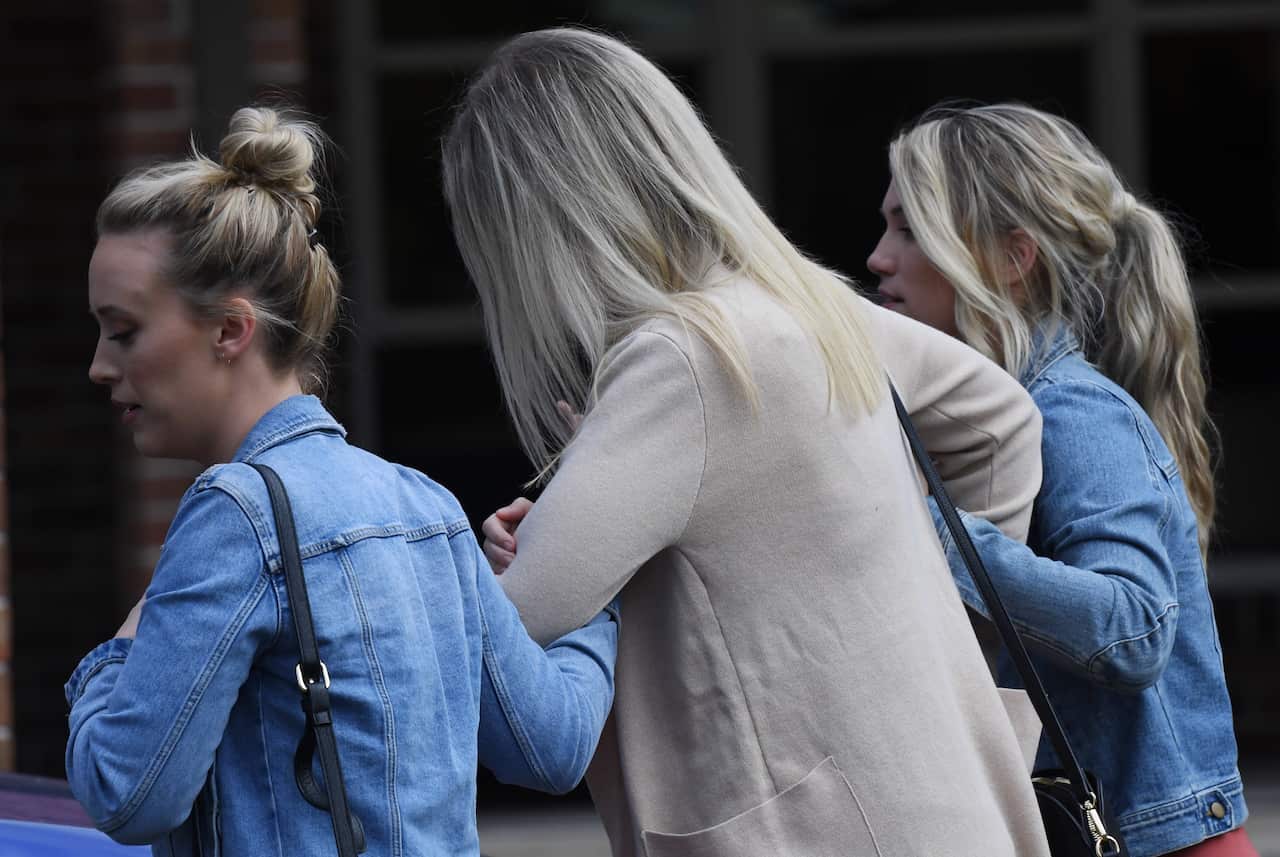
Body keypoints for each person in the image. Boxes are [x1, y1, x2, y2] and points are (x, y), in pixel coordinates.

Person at [444, 27, 1052, 857]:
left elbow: (515, 628)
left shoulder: (682, 361)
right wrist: (938, 638)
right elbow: (998, 421)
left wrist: (543, 551)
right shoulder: (791, 304)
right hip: (940, 805)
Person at [65, 105, 619, 856]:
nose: (100, 365)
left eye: (123, 329)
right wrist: (596, 585)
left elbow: (127, 793)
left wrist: (121, 649)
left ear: (231, 330)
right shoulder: (425, 505)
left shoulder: (234, 513)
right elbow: (553, 745)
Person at [867, 102, 1256, 857]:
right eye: (886, 224)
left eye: (912, 229)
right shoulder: (983, 420)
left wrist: (934, 531)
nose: (880, 256)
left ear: (1014, 257)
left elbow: (1133, 626)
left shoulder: (1073, 413)